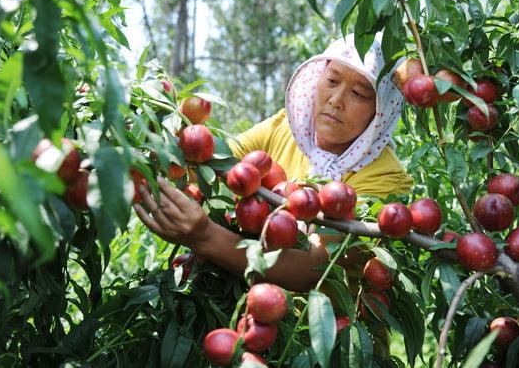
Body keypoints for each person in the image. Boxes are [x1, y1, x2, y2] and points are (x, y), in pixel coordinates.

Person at [133, 33, 413, 292]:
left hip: (331, 339)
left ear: (382, 110)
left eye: (359, 94)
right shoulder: (285, 128)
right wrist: (155, 139)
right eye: (331, 81)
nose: (336, 100)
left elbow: (311, 267)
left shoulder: (385, 177)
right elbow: (211, 166)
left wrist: (205, 236)